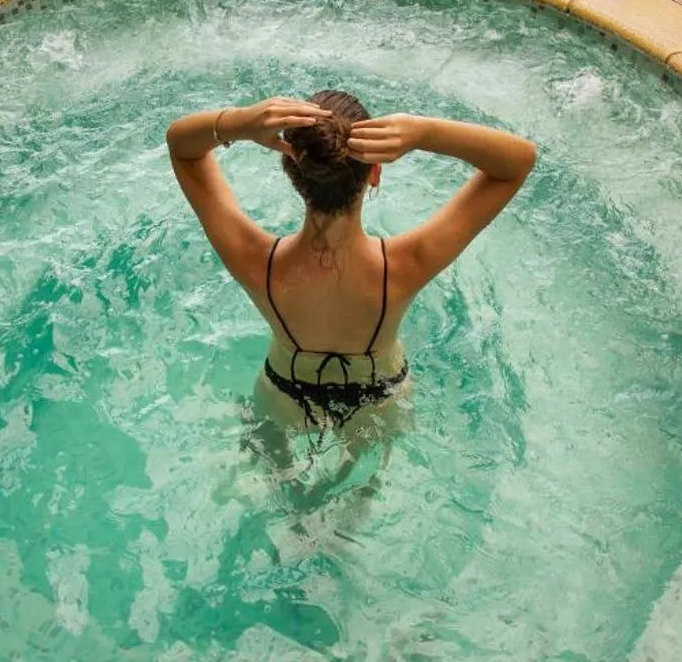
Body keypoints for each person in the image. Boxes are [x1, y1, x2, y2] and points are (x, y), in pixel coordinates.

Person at [166, 89, 537, 430]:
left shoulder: (257, 263)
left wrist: (240, 122)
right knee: (366, 479)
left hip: (284, 395)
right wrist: (424, 132)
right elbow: (517, 162)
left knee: (278, 473)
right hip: (380, 399)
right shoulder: (406, 265)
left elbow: (182, 148)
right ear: (375, 173)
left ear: (291, 172)